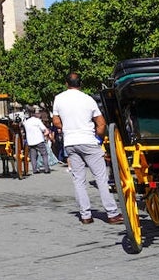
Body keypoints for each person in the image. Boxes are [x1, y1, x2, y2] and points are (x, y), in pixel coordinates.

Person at [51, 71, 123, 225]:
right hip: (88, 140)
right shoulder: (88, 99)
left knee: (78, 180)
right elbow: (101, 123)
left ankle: (85, 215)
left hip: (70, 142)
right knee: (101, 178)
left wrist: (68, 129)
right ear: (81, 84)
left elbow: (56, 122)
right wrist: (99, 138)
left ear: (66, 84)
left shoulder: (59, 99)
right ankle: (112, 213)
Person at [22, 106, 52, 174]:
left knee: (33, 156)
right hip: (39, 140)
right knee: (44, 154)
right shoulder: (37, 121)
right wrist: (45, 134)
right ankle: (46, 169)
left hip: (30, 141)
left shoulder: (26, 122)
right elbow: (44, 129)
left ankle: (35, 169)